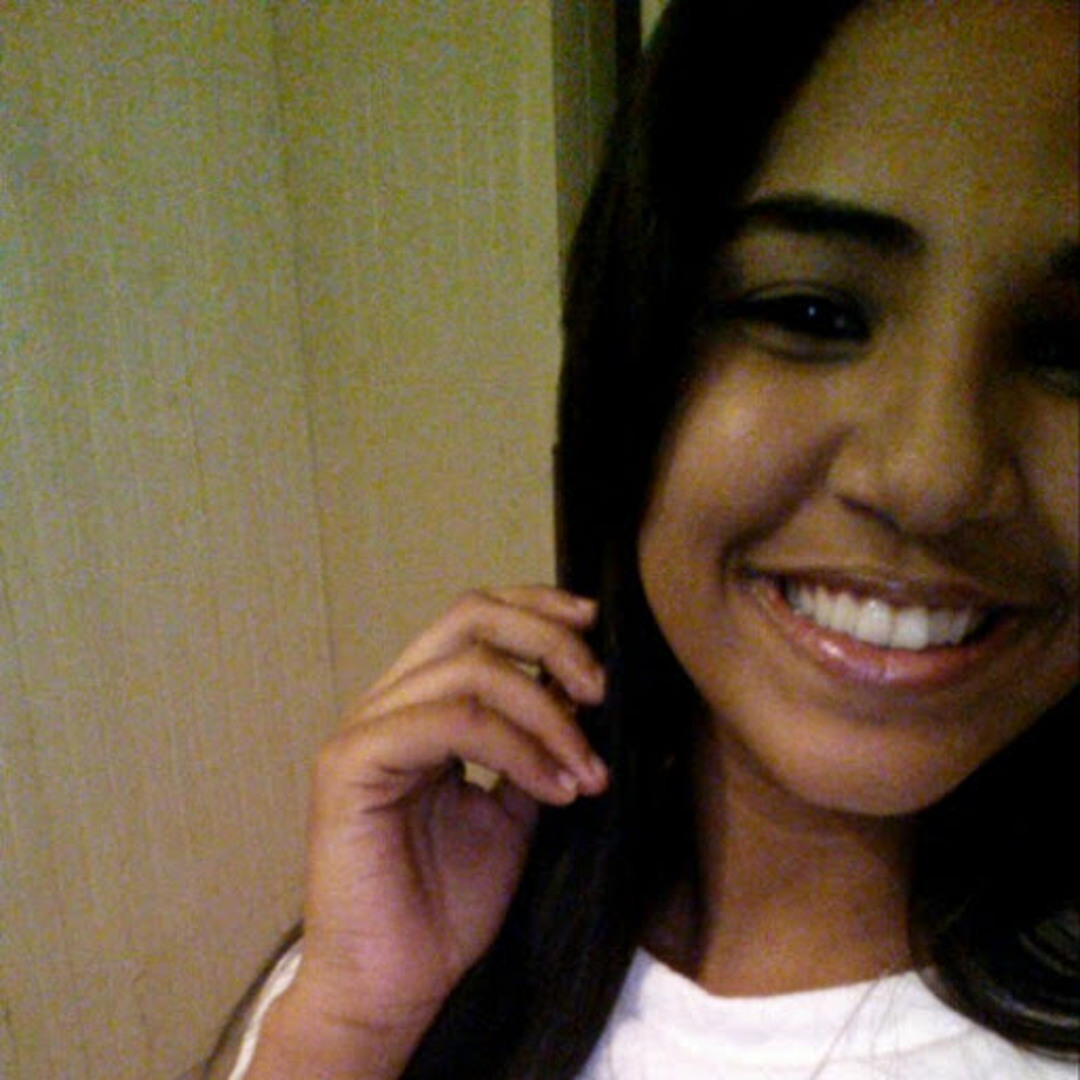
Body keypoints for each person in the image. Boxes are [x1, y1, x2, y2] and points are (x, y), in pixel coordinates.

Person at [208, 0, 1080, 1076]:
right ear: (634, 347)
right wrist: (348, 1022)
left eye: (1070, 350)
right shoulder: (442, 928)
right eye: (812, 314)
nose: (934, 478)